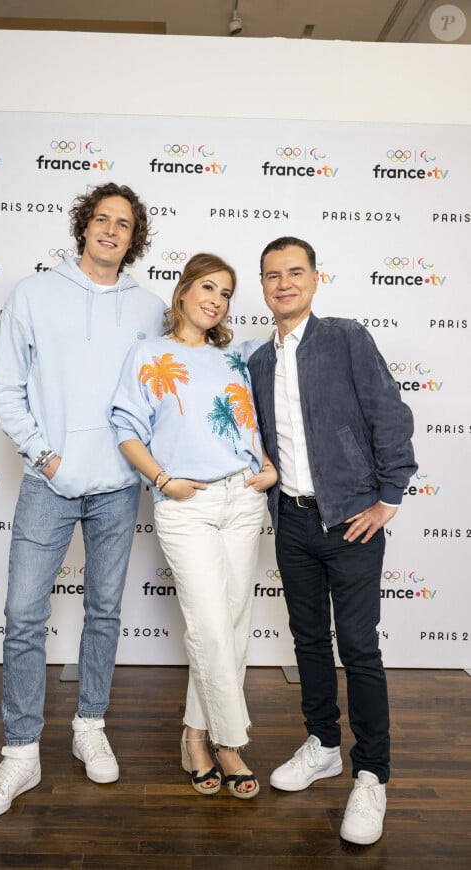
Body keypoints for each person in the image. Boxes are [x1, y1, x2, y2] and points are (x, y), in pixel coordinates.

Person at [0, 183, 166, 820]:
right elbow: (6, 387)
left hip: (117, 486)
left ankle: (90, 727)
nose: (111, 230)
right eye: (102, 219)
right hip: (47, 483)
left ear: (135, 238)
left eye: (124, 223)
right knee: (24, 615)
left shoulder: (150, 308)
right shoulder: (33, 294)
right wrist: (43, 453)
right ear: (84, 227)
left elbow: (163, 395)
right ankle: (21, 751)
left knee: (104, 611)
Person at [248, 236, 417, 843]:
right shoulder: (257, 361)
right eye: (272, 275)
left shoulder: (346, 337)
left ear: (316, 279)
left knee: (358, 647)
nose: (284, 283)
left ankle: (372, 773)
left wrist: (389, 496)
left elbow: (389, 414)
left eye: (295, 272)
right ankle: (322, 744)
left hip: (351, 519)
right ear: (262, 285)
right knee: (309, 642)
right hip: (291, 520)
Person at [110, 253, 278, 799]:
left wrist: (268, 465)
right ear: (182, 291)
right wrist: (163, 480)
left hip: (243, 501)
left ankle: (195, 736)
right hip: (186, 504)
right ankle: (229, 742)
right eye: (208, 287)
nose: (216, 300)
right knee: (208, 625)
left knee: (229, 626)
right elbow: (126, 427)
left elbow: (259, 419)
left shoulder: (236, 359)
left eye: (226, 293)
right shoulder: (149, 354)